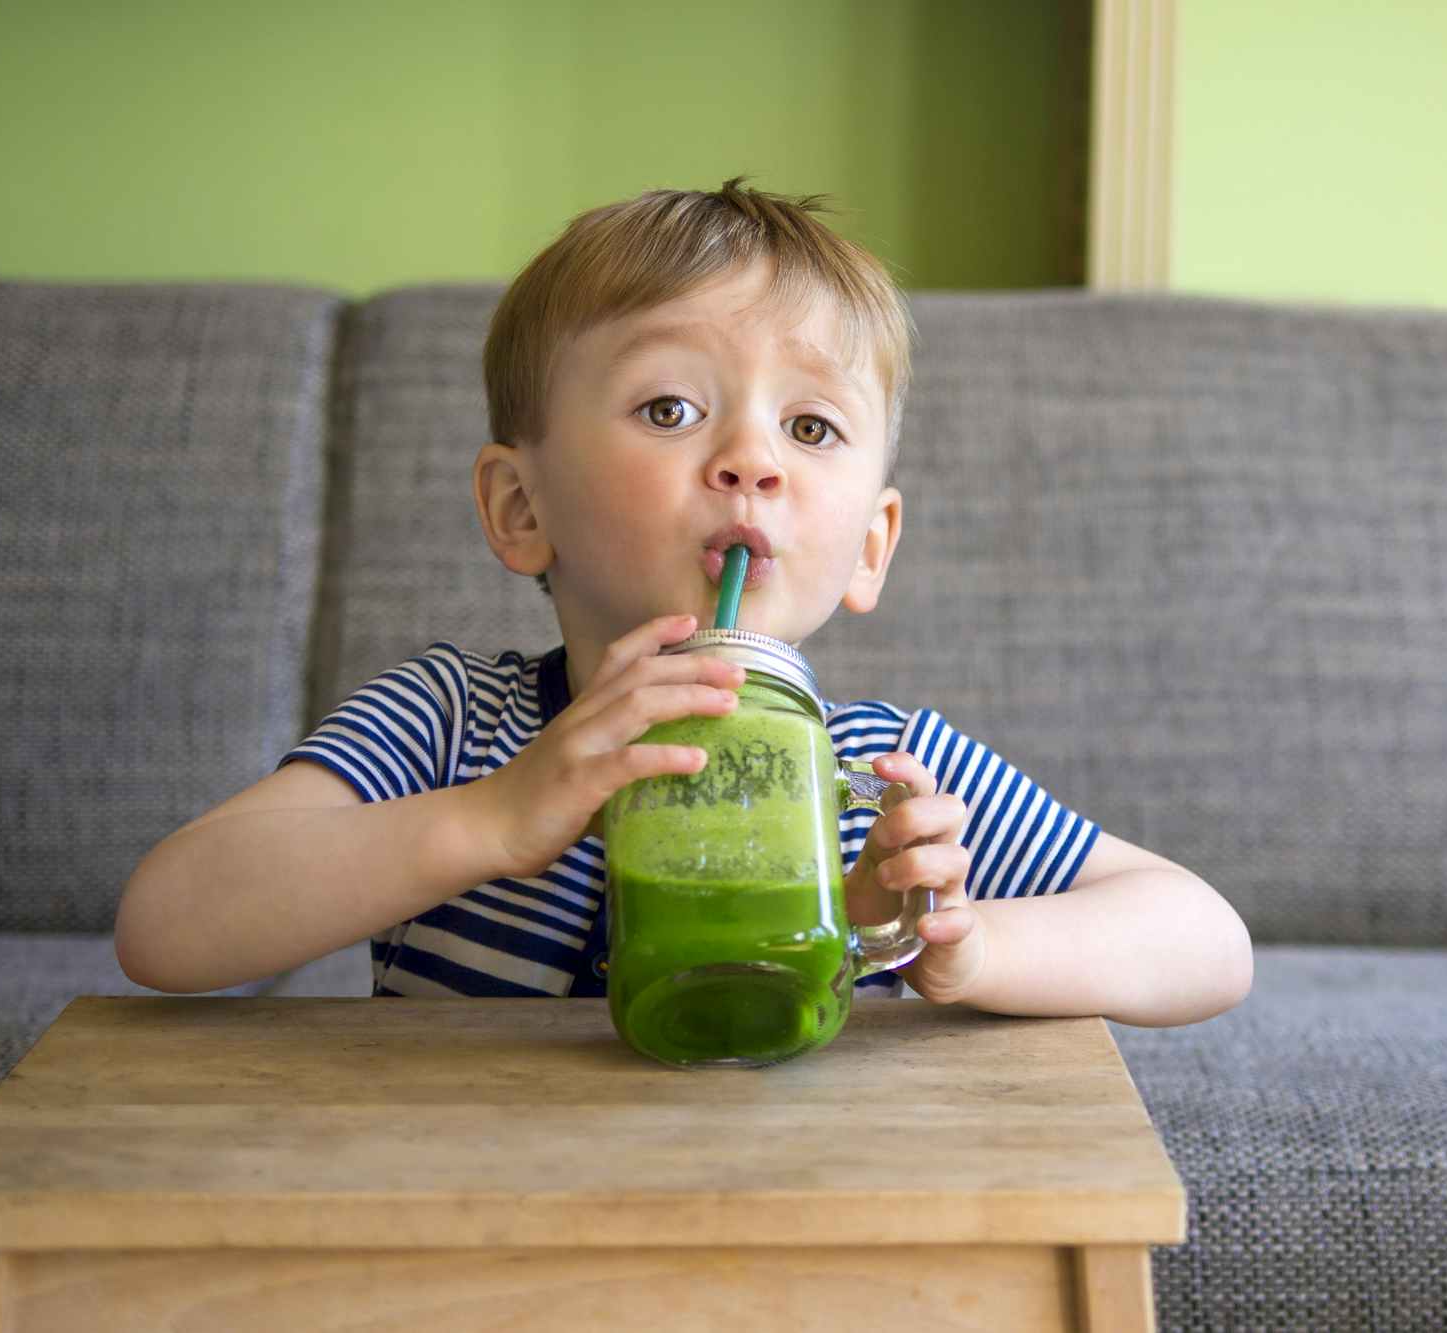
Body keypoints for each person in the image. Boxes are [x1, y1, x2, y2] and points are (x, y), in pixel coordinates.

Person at [116, 178, 1253, 1026]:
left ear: (869, 546)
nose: (750, 458)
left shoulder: (877, 769)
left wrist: (957, 944)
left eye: (810, 428)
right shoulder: (453, 726)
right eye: (668, 408)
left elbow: (1205, 940)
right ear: (520, 507)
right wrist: (490, 819)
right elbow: (166, 926)